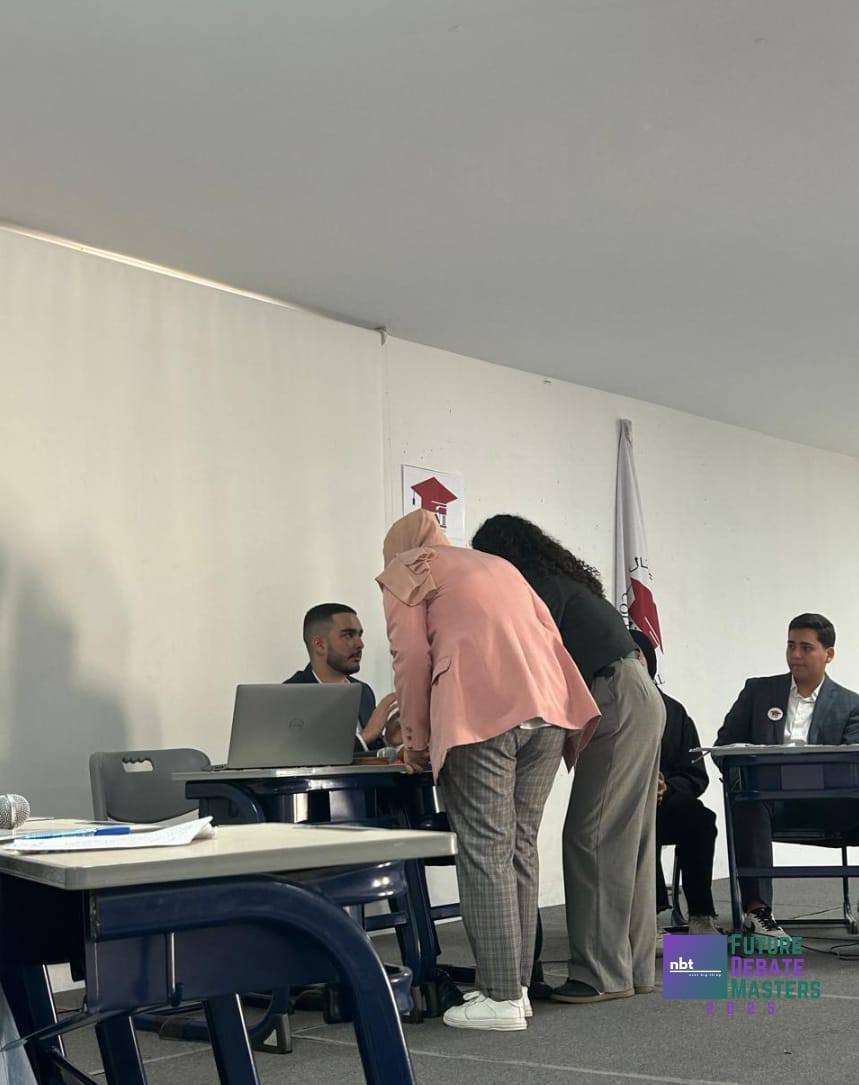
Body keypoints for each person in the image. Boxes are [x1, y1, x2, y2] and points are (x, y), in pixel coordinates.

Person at [378, 509, 599, 1032]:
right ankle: (515, 989)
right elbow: (550, 637)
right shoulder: (498, 566)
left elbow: (410, 656)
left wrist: (415, 739)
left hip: (481, 712)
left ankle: (500, 997)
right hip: (549, 708)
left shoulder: (409, 565)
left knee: (483, 850)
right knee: (519, 847)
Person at [471, 514, 665, 1004]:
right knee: (631, 842)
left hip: (613, 697)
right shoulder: (567, 584)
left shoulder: (535, 589)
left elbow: (527, 662)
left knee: (591, 837)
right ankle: (634, 969)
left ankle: (600, 974)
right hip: (637, 693)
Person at [715, 612, 859, 938]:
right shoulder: (758, 691)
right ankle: (758, 912)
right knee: (747, 801)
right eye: (791, 645)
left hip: (830, 807)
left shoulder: (851, 705)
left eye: (806, 648)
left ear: (829, 654)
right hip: (769, 804)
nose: (795, 655)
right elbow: (725, 746)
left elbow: (852, 764)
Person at [629, 630, 718, 950]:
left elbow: (695, 775)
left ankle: (701, 915)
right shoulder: (605, 708)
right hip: (621, 805)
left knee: (701, 819)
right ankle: (647, 920)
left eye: (637, 655)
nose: (632, 662)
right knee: (641, 820)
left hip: (665, 801)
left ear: (650, 661)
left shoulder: (674, 712)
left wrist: (666, 786)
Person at [284, 602, 399, 752]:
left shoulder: (363, 691)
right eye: (348, 635)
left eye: (359, 635)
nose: (360, 644)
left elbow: (368, 751)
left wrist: (389, 741)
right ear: (319, 645)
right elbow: (303, 756)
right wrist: (366, 735)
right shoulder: (290, 696)